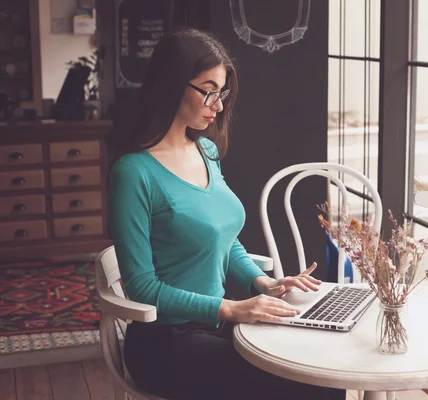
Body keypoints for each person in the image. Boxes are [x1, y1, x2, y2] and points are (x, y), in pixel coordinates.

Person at [107, 28, 346, 400]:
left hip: (215, 327)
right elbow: (143, 287)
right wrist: (232, 309)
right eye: (209, 90)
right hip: (165, 343)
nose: (218, 106)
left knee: (323, 372)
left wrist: (261, 283)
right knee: (306, 386)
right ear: (171, 83)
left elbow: (224, 239)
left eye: (223, 93)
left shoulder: (206, 151)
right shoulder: (133, 172)